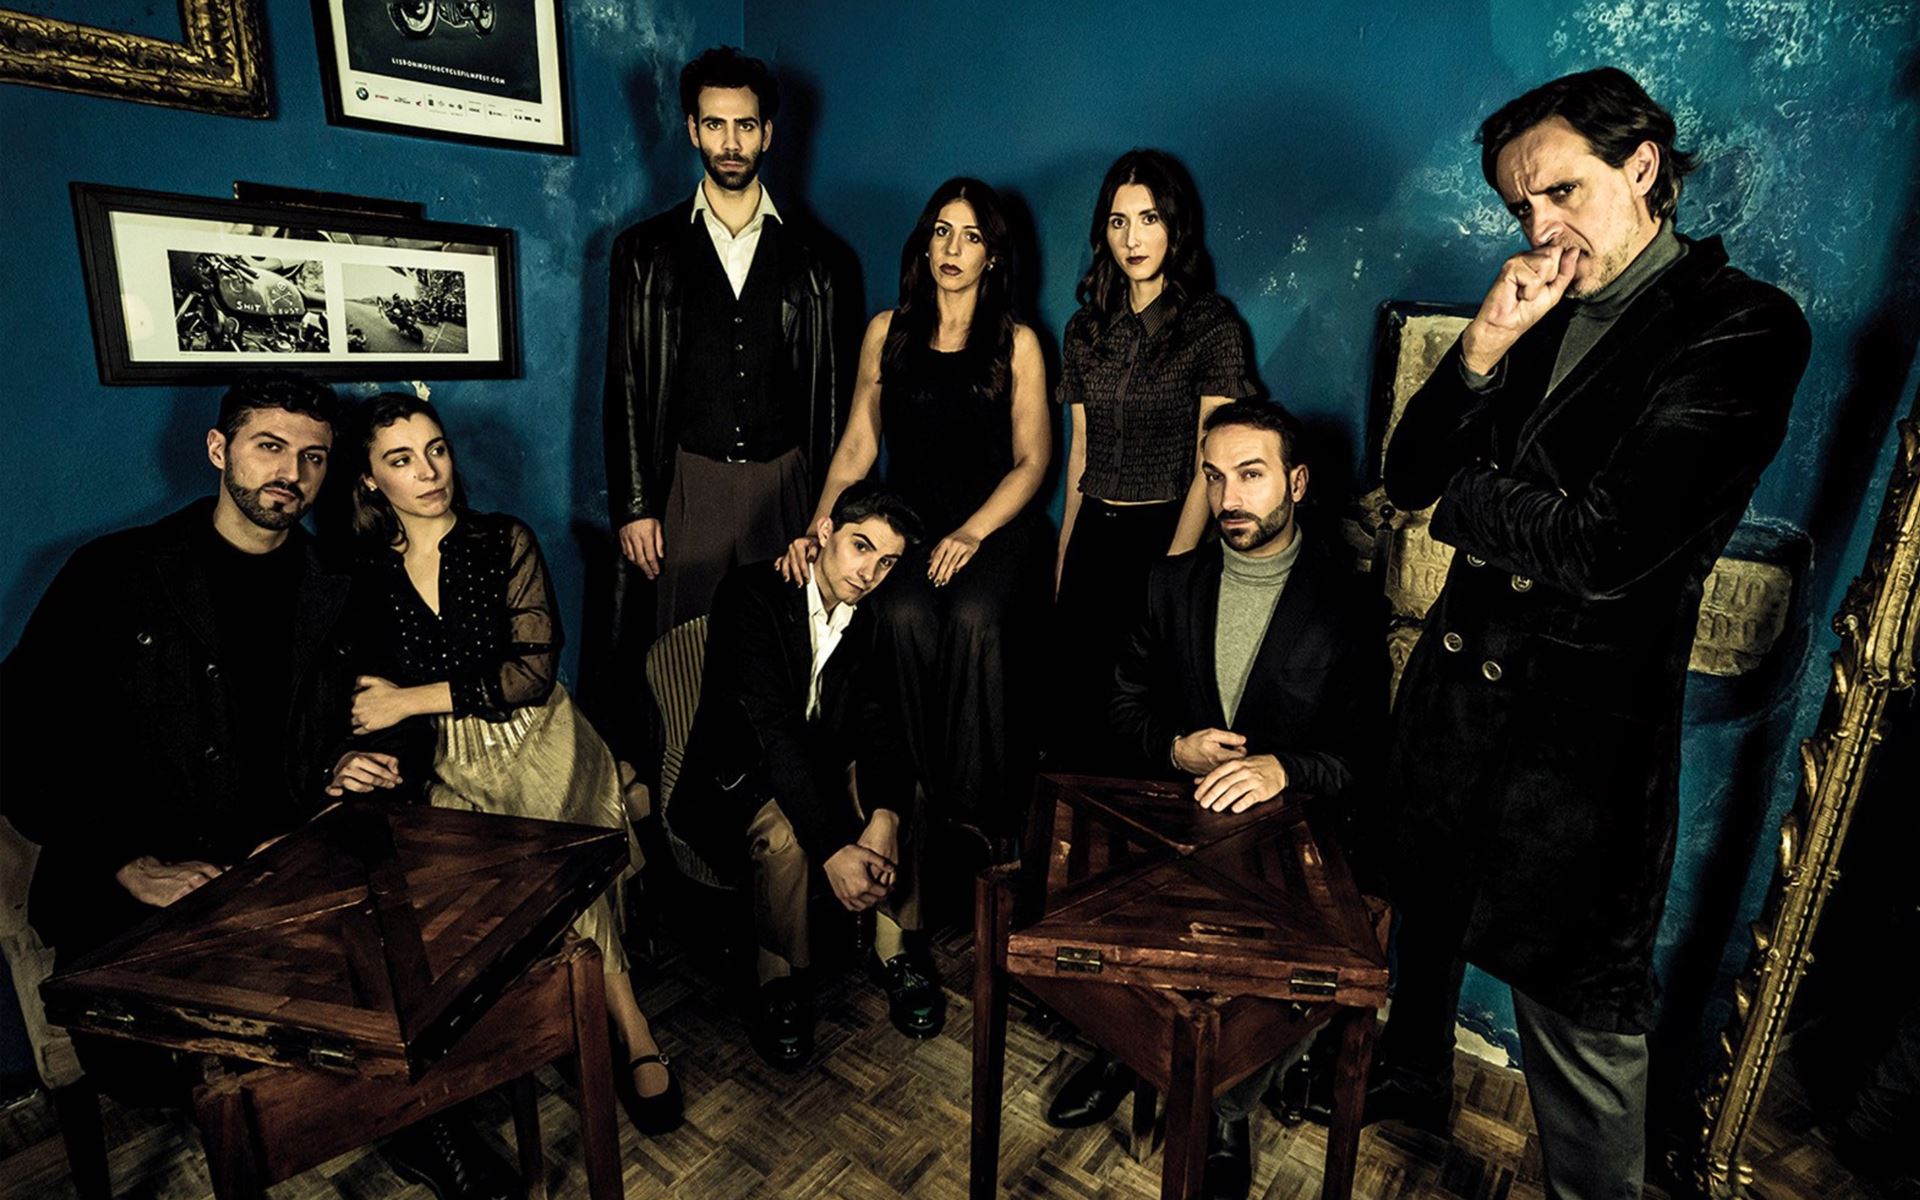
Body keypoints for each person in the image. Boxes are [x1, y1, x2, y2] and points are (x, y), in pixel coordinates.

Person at [1369, 67, 1811, 1199]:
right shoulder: (1537, 304)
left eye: (1561, 191)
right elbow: (1407, 473)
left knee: (1582, 1025)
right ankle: (1408, 1079)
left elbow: (1608, 547)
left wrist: (1470, 495)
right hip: (1455, 709)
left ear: (1643, 166)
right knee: (1420, 918)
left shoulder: (1744, 324)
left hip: (1579, 753)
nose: (1540, 229)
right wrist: (1482, 346)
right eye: (1520, 206)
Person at [0, 374, 516, 1200]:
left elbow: (399, 723)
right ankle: (387, 1113)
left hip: (301, 866)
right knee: (185, 1051)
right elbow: (18, 740)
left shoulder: (343, 585)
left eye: (313, 457)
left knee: (421, 958)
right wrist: (126, 862)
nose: (291, 473)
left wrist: (353, 776)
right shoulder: (114, 575)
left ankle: (421, 1122)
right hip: (146, 894)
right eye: (269, 447)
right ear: (219, 450)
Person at [1045, 399, 1383, 1200]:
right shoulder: (1171, 582)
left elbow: (1368, 756)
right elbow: (1120, 706)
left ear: (1296, 483)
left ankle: (1228, 1110)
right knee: (1085, 899)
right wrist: (1175, 746)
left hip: (1283, 838)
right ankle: (1124, 1057)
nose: (1229, 497)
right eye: (1215, 477)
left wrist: (1285, 769)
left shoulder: (1346, 602)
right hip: (1174, 822)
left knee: (1278, 967)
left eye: (1251, 475)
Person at [342, 392, 682, 1138]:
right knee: (460, 887)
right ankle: (534, 1028)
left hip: (539, 732)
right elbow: (365, 694)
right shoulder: (364, 574)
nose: (430, 471)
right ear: (369, 480)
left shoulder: (502, 539)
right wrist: (384, 726)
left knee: (559, 858)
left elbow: (529, 673)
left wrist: (408, 700)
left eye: (436, 449)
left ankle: (631, 1029)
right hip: (446, 759)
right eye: (401, 459)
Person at [780, 177, 1051, 851]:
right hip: (908, 529)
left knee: (975, 616)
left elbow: (1033, 462)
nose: (953, 249)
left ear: (992, 255)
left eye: (971, 236)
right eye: (942, 232)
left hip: (995, 526)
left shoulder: (1018, 341)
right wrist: (819, 527)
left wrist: (973, 531)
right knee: (900, 615)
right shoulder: (887, 332)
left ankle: (979, 820)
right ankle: (911, 806)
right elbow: (857, 447)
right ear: (925, 244)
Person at [671, 481, 933, 1070]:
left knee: (905, 794)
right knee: (785, 839)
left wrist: (885, 816)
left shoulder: (871, 615)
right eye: (861, 546)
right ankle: (779, 977)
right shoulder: (751, 594)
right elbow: (770, 734)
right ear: (825, 533)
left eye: (887, 561)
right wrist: (834, 848)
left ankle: (894, 950)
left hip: (818, 760)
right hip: (741, 775)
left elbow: (880, 721)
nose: (870, 572)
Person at [603, 45, 844, 642]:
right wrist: (636, 506)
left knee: (782, 646)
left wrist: (827, 514)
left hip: (785, 483)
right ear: (692, 130)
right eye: (715, 125)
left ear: (767, 133)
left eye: (745, 126)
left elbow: (834, 397)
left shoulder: (816, 259)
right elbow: (625, 381)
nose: (730, 142)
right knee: (686, 651)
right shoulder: (644, 251)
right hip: (692, 482)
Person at [1052, 149, 1257, 770]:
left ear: (1174, 226)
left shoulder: (1211, 325)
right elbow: (1081, 451)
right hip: (1094, 530)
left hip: (1167, 532)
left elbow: (1211, 461)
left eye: (1148, 219)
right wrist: (1065, 555)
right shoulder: (1084, 329)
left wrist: (1175, 568)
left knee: (1146, 715)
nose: (1132, 239)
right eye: (1119, 222)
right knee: (1074, 712)